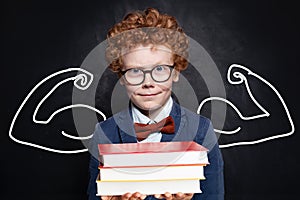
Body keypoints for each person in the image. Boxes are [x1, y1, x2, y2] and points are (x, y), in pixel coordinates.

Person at [87, 7, 224, 200]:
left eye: (159, 69)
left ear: (175, 72)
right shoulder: (104, 133)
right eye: (135, 71)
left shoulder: (201, 131)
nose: (148, 82)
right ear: (122, 77)